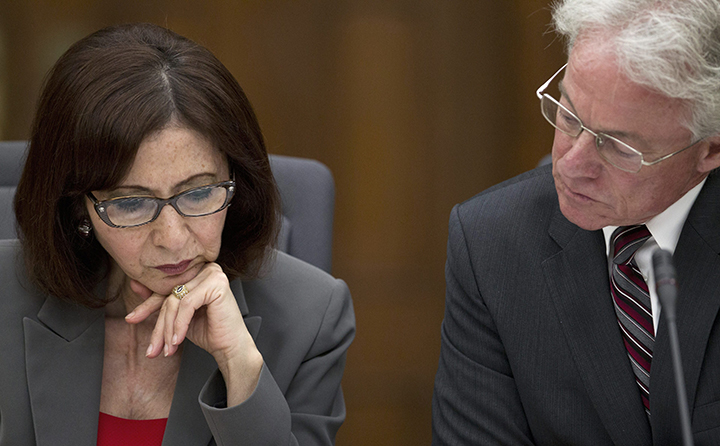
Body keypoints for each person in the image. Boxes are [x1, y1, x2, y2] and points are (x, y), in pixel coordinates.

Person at [0, 23, 355, 445]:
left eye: (199, 192)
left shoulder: (313, 318)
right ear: (79, 206)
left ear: (236, 182)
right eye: (131, 203)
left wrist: (239, 366)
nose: (172, 238)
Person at [432, 0, 720, 444]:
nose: (572, 165)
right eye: (569, 116)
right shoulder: (492, 243)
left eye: (619, 148)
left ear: (711, 150)